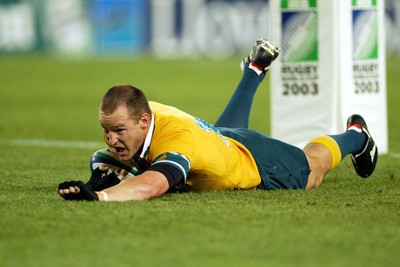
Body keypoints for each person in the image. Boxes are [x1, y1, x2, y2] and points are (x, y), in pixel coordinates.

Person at [58, 38, 378, 202]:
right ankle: (254, 70)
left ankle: (356, 135)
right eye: (106, 130)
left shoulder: (176, 141)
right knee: (223, 133)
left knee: (312, 170)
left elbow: (155, 184)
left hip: (258, 161)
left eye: (118, 131)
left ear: (144, 121)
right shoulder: (142, 112)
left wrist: (101, 196)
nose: (111, 140)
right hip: (219, 137)